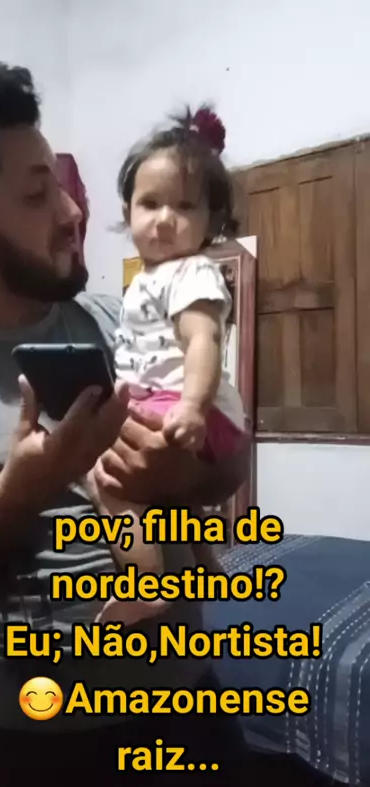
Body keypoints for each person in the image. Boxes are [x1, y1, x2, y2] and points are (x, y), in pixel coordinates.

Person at [0, 64, 281, 787]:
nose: (75, 211)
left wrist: (183, 474)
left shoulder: (120, 316)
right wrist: (19, 491)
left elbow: (227, 465)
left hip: (183, 705)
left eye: (63, 185)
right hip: (34, 748)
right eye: (38, 195)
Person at [89, 106, 246, 627]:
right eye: (150, 203)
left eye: (183, 206)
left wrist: (194, 406)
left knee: (107, 477)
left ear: (211, 222)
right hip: (174, 402)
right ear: (128, 211)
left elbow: (203, 340)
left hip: (191, 405)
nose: (163, 219)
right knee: (166, 489)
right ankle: (204, 558)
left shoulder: (192, 272)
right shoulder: (148, 279)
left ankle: (145, 582)